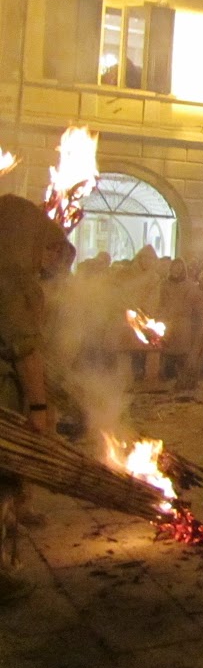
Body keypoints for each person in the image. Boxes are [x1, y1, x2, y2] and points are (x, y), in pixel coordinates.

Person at [0, 196, 73, 602]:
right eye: (47, 247)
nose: (51, 258)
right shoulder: (11, 279)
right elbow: (25, 349)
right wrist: (41, 410)